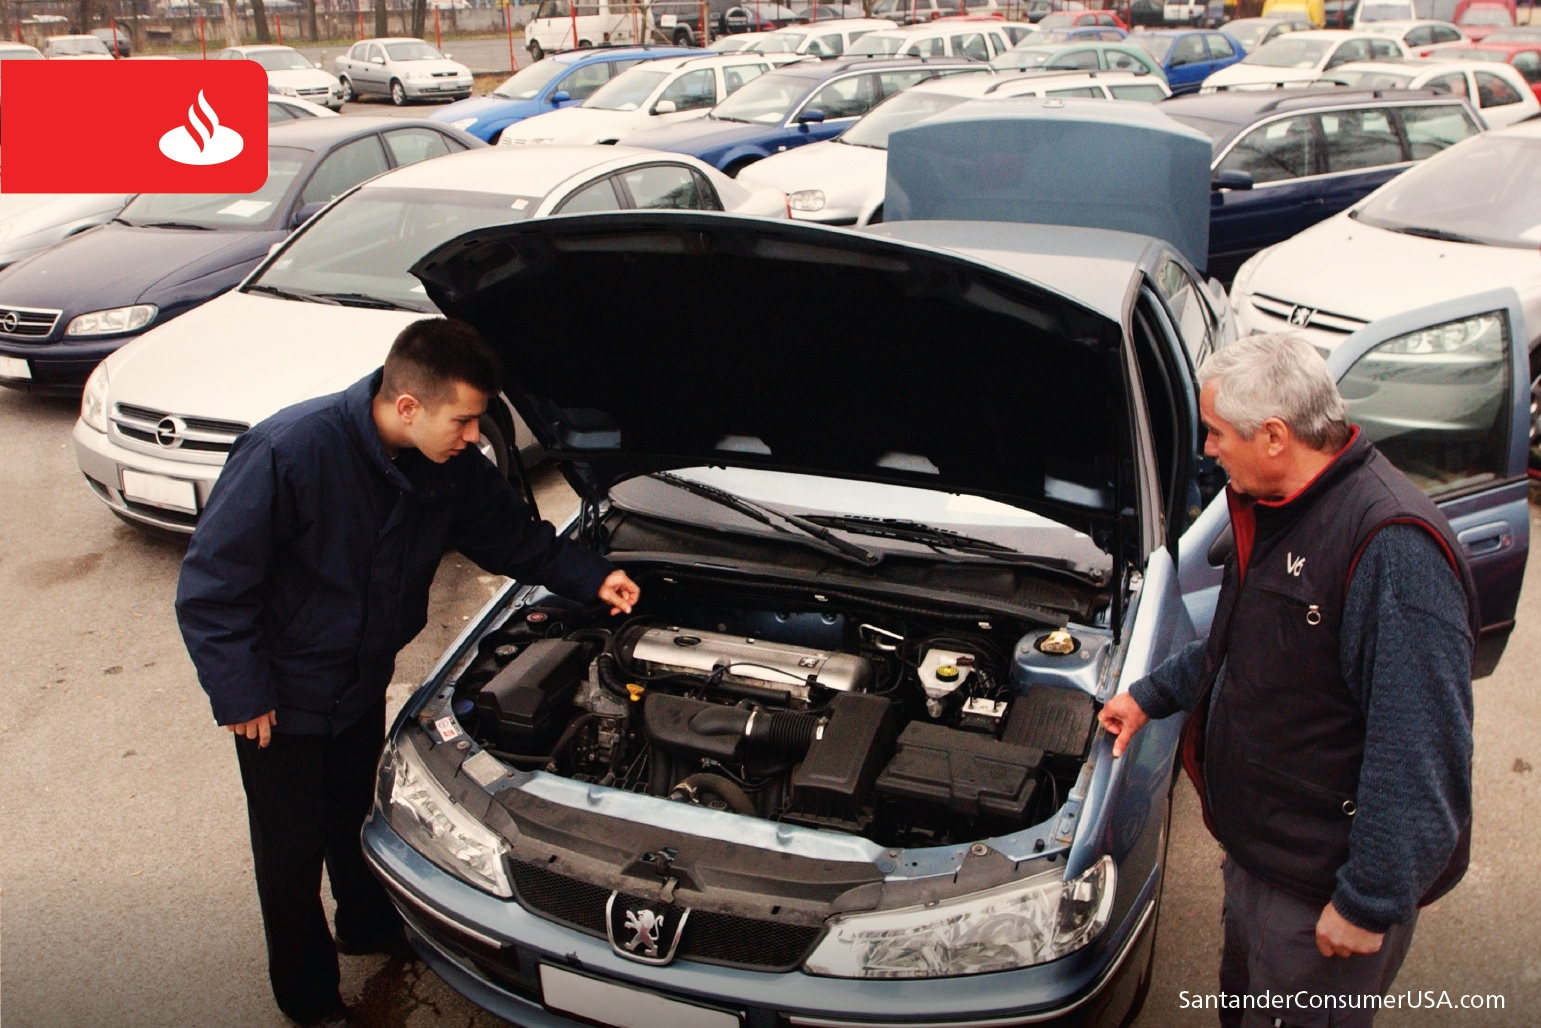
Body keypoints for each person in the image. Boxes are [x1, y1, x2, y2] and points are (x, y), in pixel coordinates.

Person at [176, 318, 640, 1028]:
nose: (471, 436)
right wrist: (240, 691)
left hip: (360, 680)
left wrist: (590, 576)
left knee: (354, 816)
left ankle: (366, 927)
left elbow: (511, 537)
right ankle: (309, 1002)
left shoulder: (449, 465)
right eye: (462, 420)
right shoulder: (289, 452)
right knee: (289, 854)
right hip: (280, 700)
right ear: (406, 407)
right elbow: (213, 586)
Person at [1098, 333, 1478, 1028]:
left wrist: (1368, 899)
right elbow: (1239, 645)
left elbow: (1419, 747)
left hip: (1321, 889)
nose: (1207, 449)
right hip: (1263, 854)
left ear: (1273, 435)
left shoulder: (1390, 547)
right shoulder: (1279, 506)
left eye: (1214, 433)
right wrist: (1148, 698)